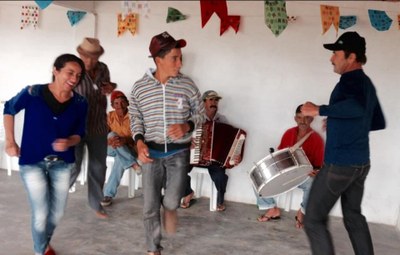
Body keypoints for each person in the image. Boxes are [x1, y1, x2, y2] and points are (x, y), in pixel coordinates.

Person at [301, 31, 386, 255]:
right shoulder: (366, 83)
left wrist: (320, 110)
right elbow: (376, 120)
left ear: (351, 57)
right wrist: (339, 121)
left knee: (313, 220)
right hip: (360, 164)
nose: (331, 58)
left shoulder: (351, 80)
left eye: (336, 53)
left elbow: (356, 108)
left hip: (340, 164)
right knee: (353, 217)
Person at [3, 54, 88, 255]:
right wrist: (10, 140)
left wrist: (68, 142)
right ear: (55, 70)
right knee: (41, 213)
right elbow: (9, 108)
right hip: (33, 162)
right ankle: (40, 250)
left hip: (63, 164)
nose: (74, 78)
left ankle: (43, 244)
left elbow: (79, 134)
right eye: (70, 72)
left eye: (78, 75)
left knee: (56, 214)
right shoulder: (34, 93)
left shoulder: (80, 102)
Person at [128, 31, 205, 255]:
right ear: (158, 59)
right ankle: (153, 249)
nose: (180, 63)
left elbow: (200, 113)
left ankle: (170, 209)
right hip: (150, 154)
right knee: (150, 206)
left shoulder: (187, 85)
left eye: (181, 58)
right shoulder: (139, 88)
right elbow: (135, 119)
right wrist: (139, 142)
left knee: (171, 200)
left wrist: (187, 126)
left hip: (178, 152)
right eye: (175, 58)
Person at [255, 104, 324, 229]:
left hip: (302, 176)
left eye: (306, 118)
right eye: (299, 117)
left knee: (314, 184)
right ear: (295, 118)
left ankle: (302, 213)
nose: (302, 121)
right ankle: (272, 209)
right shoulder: (289, 133)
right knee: (259, 177)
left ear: (312, 119)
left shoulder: (316, 139)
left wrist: (315, 171)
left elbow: (319, 166)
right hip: (284, 174)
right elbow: (280, 156)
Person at [69, 37, 116, 219]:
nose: (90, 61)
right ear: (80, 54)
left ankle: (96, 204)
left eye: (94, 57)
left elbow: (107, 86)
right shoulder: (72, 69)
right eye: (86, 57)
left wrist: (111, 87)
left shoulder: (103, 69)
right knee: (73, 166)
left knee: (98, 167)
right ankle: (54, 198)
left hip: (98, 126)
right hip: (76, 127)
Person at [181, 90, 231, 212]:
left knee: (220, 175)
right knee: (178, 169)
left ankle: (219, 200)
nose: (214, 103)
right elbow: (183, 135)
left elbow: (228, 139)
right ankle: (188, 192)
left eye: (216, 100)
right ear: (203, 103)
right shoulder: (195, 119)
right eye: (211, 100)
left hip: (213, 159)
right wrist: (188, 141)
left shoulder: (222, 120)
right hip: (195, 155)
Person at [100, 90, 141, 207]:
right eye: (116, 103)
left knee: (120, 158)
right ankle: (133, 164)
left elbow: (140, 137)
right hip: (111, 147)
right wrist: (109, 140)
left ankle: (108, 194)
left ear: (127, 103)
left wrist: (125, 140)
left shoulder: (134, 116)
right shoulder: (110, 116)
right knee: (111, 135)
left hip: (129, 148)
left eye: (122, 102)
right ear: (112, 105)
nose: (120, 106)